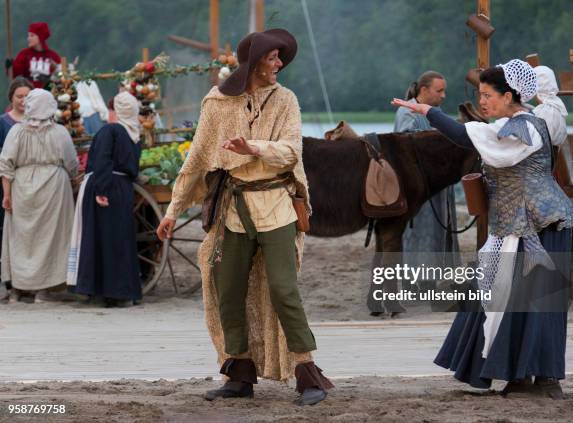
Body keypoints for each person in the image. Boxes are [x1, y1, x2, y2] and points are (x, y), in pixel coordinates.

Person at [156, 28, 333, 406]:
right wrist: (173, 210)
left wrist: (252, 147)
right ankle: (238, 373)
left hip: (277, 208)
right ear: (256, 63)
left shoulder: (286, 100)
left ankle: (307, 374)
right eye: (273, 58)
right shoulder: (216, 103)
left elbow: (291, 152)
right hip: (232, 213)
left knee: (284, 290)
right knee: (228, 291)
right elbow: (197, 160)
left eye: (280, 58)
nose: (279, 64)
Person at [392, 59, 573, 399]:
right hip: (516, 225)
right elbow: (476, 138)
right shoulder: (512, 124)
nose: (483, 101)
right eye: (481, 94)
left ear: (509, 96)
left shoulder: (524, 128)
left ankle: (546, 381)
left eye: (488, 95)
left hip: (540, 225)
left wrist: (428, 111)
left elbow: (468, 135)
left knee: (536, 304)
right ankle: (518, 376)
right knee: (504, 298)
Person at [387, 71, 459, 316]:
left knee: (436, 234)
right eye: (439, 90)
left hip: (436, 186)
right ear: (424, 90)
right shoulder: (407, 112)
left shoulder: (433, 113)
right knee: (419, 236)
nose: (443, 95)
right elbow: (406, 144)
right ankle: (415, 285)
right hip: (418, 188)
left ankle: (431, 285)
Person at [0, 89, 78, 303]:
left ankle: (18, 289)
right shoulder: (60, 132)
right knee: (49, 239)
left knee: (22, 239)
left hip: (22, 188)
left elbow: (5, 164)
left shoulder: (16, 132)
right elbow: (72, 164)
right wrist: (72, 178)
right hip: (54, 188)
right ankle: (44, 289)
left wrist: (6, 194)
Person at [68, 92, 142, 307]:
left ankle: (102, 290)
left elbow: (102, 160)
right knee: (120, 240)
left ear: (117, 111)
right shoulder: (134, 135)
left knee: (100, 239)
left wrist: (101, 190)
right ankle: (122, 291)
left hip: (106, 186)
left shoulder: (110, 131)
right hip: (124, 188)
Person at [0, 77, 33, 301]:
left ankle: (24, 280)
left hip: (29, 186)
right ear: (11, 98)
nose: (23, 101)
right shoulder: (3, 122)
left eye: (27, 97)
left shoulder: (36, 121)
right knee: (4, 229)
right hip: (5, 180)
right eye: (19, 96)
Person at [9, 22, 61, 89]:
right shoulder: (24, 54)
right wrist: (11, 66)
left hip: (48, 93)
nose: (28, 38)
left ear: (40, 37)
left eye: (32, 35)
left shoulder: (53, 56)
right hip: (29, 92)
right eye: (28, 36)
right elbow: (16, 75)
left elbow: (61, 75)